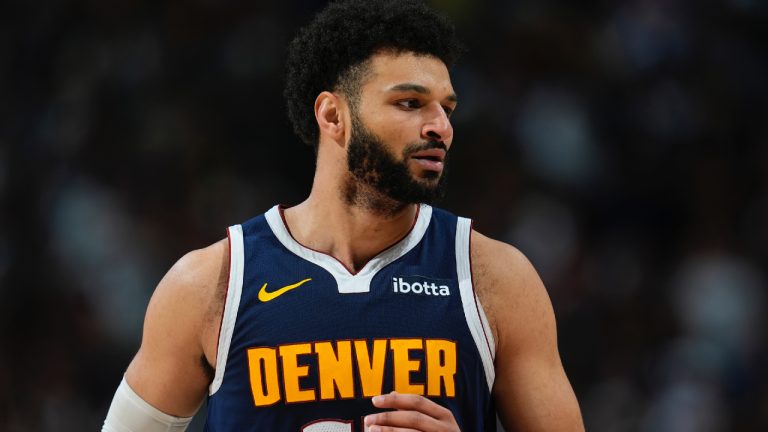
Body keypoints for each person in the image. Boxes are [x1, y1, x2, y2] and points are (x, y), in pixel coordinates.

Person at [102, 0, 584, 430]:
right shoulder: (211, 285)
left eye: (447, 109)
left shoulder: (494, 279)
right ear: (333, 116)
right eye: (410, 103)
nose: (440, 127)